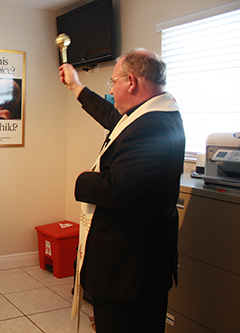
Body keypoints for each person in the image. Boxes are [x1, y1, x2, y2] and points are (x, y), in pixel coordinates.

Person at [59, 48, 185, 332]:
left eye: (113, 82)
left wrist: (82, 179)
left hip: (129, 272)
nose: (112, 90)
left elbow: (118, 188)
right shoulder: (149, 115)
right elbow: (109, 115)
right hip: (132, 268)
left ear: (131, 82)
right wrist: (76, 85)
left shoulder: (154, 126)